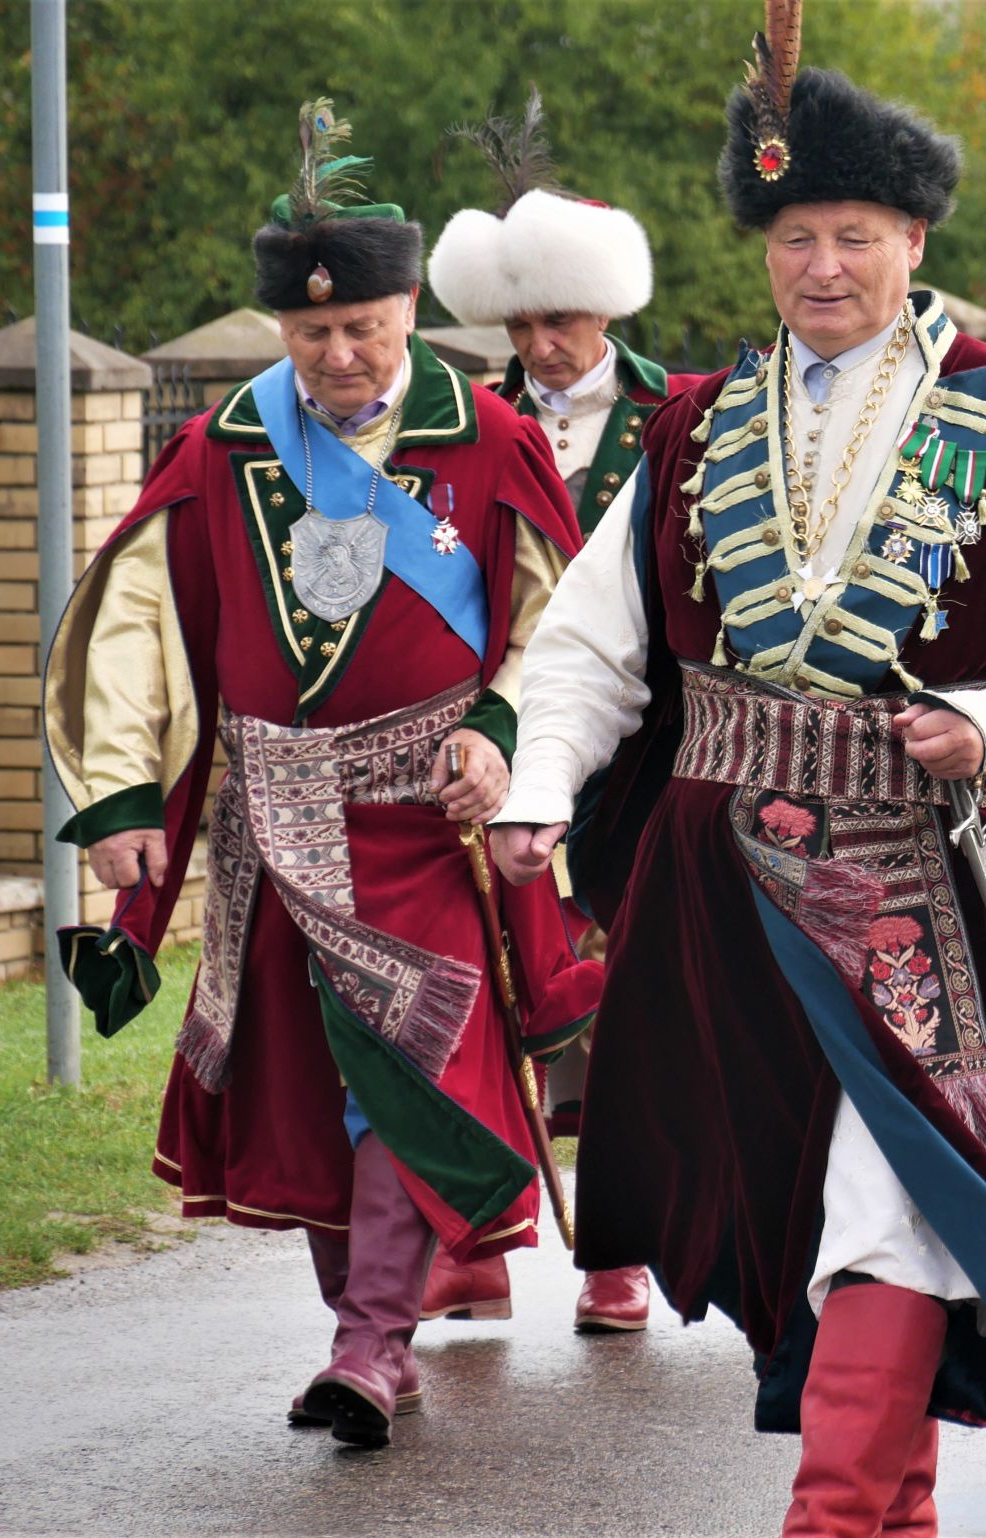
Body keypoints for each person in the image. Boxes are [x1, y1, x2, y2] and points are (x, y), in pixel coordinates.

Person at [487, 4, 986, 1531]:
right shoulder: (693, 426)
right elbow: (595, 646)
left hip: (931, 888)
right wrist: (537, 789)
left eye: (855, 232)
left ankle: (833, 1513)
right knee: (808, 1210)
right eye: (796, 236)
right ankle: (895, 1510)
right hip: (725, 896)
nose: (824, 267)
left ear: (913, 238)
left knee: (891, 1193)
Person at [42, 101, 595, 1448]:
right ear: (280, 331)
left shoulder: (489, 440)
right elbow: (140, 629)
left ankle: (368, 1343)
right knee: (308, 1084)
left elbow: (562, 625)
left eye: (365, 328)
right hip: (271, 822)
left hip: (430, 818)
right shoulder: (222, 445)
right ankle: (373, 1334)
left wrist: (503, 735)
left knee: (400, 1067)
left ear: (411, 313)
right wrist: (118, 803)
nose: (340, 355)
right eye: (312, 335)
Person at [423, 89, 682, 1333]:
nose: (540, 341)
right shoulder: (465, 428)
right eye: (520, 320)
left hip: (642, 757)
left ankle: (613, 1250)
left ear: (608, 311)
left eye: (561, 318)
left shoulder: (681, 415)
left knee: (619, 1004)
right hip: (498, 746)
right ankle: (474, 1231)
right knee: (479, 989)